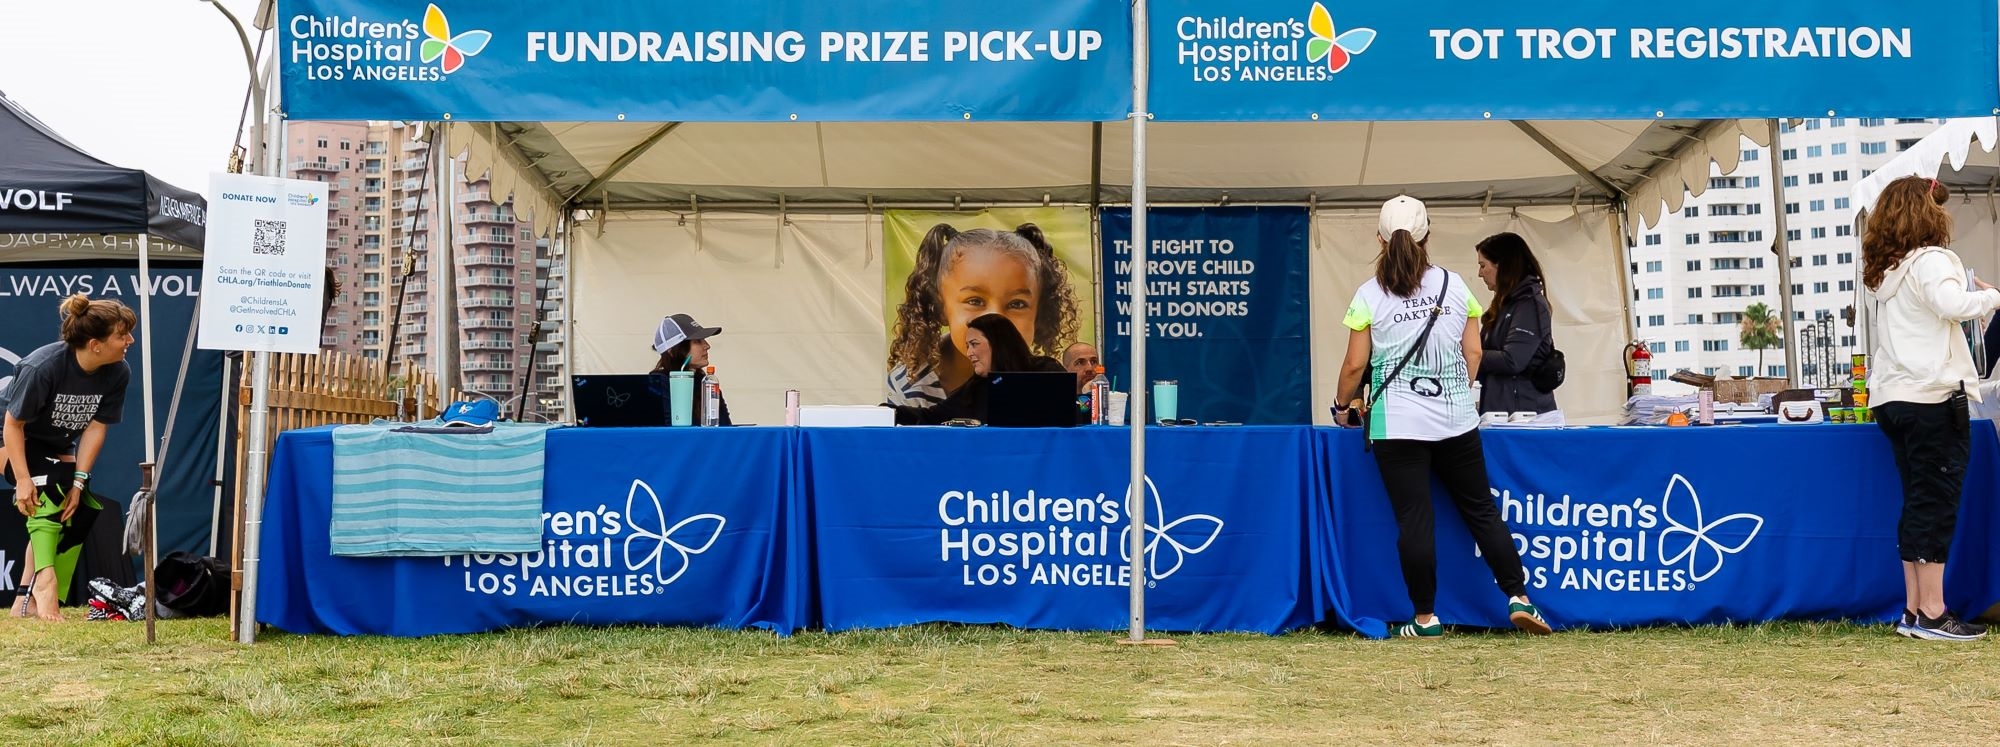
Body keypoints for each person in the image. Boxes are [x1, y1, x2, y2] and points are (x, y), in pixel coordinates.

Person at [1331, 196, 1550, 638]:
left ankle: (1426, 618)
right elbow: (1473, 352)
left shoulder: (1369, 294)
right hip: (1456, 419)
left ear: (1379, 238)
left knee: (1415, 519)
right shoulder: (1455, 286)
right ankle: (1519, 598)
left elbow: (1355, 365)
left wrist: (1342, 407)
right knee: (1482, 512)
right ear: (1428, 237)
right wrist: (1458, 392)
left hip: (1396, 423)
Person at [1863, 176, 2000, 641]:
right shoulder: (1934, 260)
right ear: (1926, 213)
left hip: (1893, 399)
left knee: (1917, 501)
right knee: (1936, 504)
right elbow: (1953, 304)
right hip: (1933, 397)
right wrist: (1991, 296)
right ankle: (1935, 613)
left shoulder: (1887, 272)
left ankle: (1915, 610)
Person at [3, 293, 133, 621]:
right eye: (122, 335)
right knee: (48, 487)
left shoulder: (118, 371)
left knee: (80, 507)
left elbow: (95, 429)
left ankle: (24, 599)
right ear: (95, 344)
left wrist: (79, 481)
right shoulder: (42, 367)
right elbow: (13, 425)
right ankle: (46, 586)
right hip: (9, 433)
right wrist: (22, 479)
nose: (130, 340)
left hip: (54, 443)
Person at [886, 224, 1080, 409]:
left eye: (1017, 304)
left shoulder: (1043, 378)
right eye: (975, 301)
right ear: (941, 308)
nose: (995, 320)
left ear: (1039, 313)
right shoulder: (911, 383)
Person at [894, 314, 1065, 425]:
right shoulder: (973, 389)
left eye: (974, 344)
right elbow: (931, 417)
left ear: (999, 344)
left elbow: (1072, 412)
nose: (969, 353)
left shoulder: (1045, 370)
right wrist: (891, 412)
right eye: (968, 346)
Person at [1473, 232, 1561, 422]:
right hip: (1501, 413)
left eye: (1483, 265)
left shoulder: (1531, 304)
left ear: (1502, 265)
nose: (1479, 273)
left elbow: (1513, 360)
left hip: (1524, 418)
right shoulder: (1505, 305)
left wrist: (1472, 353)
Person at [648, 313, 731, 427]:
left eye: (704, 340)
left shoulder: (706, 382)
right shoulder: (658, 383)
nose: (707, 345)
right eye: (697, 341)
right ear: (672, 351)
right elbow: (669, 432)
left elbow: (726, 427)